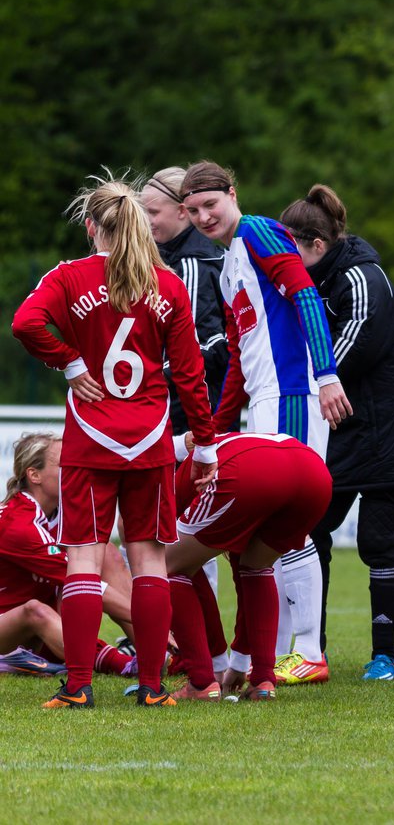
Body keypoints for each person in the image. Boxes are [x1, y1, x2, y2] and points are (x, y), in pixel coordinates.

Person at [12, 174, 218, 708]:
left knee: (83, 560)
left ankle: (78, 687)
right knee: (148, 560)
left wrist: (69, 361)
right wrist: (205, 445)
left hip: (88, 441)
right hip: (149, 441)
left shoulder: (69, 277)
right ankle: (151, 688)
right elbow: (191, 377)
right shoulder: (166, 284)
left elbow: (24, 323)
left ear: (90, 227)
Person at [180, 161, 351, 687]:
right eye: (193, 210)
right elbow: (236, 355)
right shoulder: (229, 261)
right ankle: (259, 659)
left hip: (293, 392)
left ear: (233, 194)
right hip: (265, 399)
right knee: (262, 537)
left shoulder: (255, 230)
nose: (204, 216)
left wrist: (326, 374)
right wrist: (215, 429)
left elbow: (303, 294)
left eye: (211, 203)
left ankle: (306, 651)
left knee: (286, 525)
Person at [282, 184, 394, 682]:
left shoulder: (362, 277)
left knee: (378, 540)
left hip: (390, 426)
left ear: (316, 247)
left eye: (290, 250)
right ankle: (310, 648)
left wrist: (300, 387)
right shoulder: (312, 282)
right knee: (313, 529)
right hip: (341, 424)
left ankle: (383, 656)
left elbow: (348, 350)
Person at [141, 165, 230, 677]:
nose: (147, 222)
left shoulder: (192, 265)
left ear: (182, 211)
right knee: (179, 538)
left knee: (184, 539)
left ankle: (202, 653)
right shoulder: (173, 259)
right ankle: (196, 649)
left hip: (185, 420)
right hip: (181, 417)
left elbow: (194, 352)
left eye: (153, 213)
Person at [165, 431, 333, 702]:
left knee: (167, 565)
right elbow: (239, 572)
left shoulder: (180, 476)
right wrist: (239, 664)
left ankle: (201, 682)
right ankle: (263, 681)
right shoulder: (215, 447)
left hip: (251, 471)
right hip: (313, 472)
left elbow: (180, 566)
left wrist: (215, 666)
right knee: (255, 566)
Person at [0, 432, 137, 677]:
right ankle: (127, 663)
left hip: (39, 629)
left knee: (103, 551)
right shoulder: (18, 524)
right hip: (15, 626)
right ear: (34, 475)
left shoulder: (62, 512)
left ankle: (152, 652)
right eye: (66, 464)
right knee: (37, 610)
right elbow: (80, 582)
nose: (76, 470)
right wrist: (145, 616)